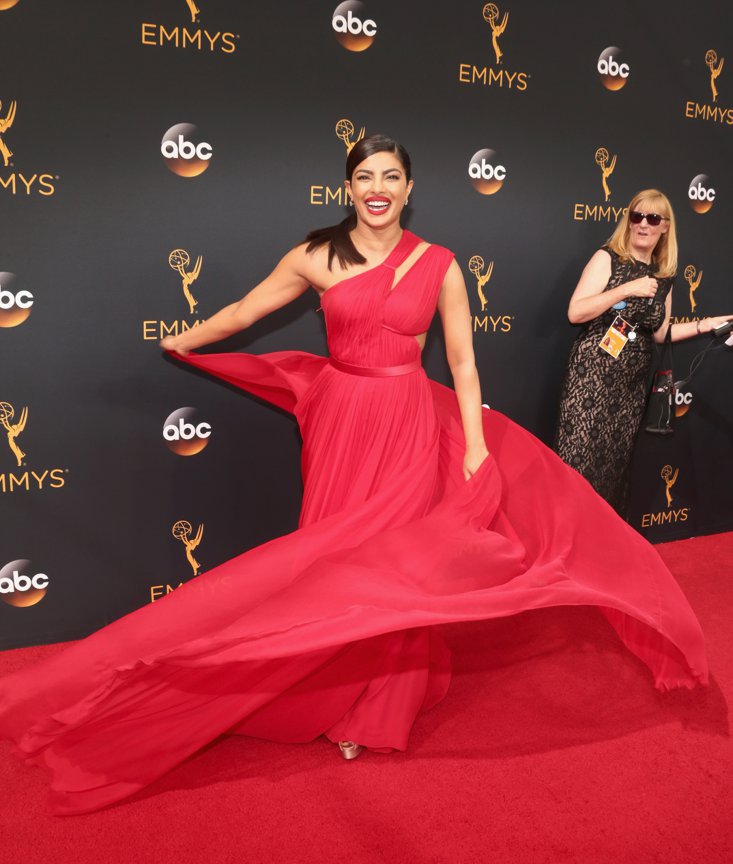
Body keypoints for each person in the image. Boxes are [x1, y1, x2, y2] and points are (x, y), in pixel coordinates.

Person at [0, 142, 709, 815]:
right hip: (341, 418)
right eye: (364, 177)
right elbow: (250, 310)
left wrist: (470, 445)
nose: (377, 189)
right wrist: (188, 337)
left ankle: (375, 705)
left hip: (406, 418)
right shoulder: (317, 254)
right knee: (335, 557)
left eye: (390, 177)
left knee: (393, 562)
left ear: (408, 187)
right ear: (348, 186)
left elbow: (462, 365)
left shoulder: (439, 263)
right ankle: (323, 689)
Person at [554, 188, 732, 515]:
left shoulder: (664, 276)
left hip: (630, 389)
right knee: (576, 466)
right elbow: (575, 312)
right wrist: (627, 288)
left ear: (665, 226)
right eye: (636, 216)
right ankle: (564, 549)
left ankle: (600, 548)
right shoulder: (607, 258)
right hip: (591, 380)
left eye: (652, 218)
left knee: (612, 471)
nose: (643, 224)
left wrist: (705, 325)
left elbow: (661, 332)